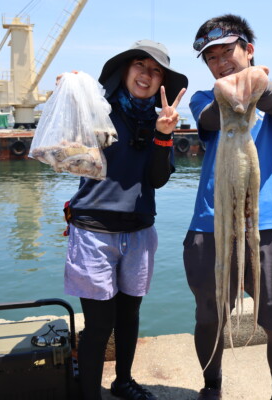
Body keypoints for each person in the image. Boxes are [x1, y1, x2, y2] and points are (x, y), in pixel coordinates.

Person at [183, 14, 272, 400]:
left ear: (248, 50)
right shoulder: (204, 99)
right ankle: (211, 387)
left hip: (270, 227)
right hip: (209, 226)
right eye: (210, 57)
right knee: (209, 317)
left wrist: (259, 84)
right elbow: (211, 118)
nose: (219, 61)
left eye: (227, 51)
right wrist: (233, 92)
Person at [64, 39, 187, 400]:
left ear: (162, 81)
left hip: (139, 232)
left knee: (129, 316)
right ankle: (90, 393)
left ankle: (123, 381)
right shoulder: (98, 109)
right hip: (92, 232)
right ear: (124, 70)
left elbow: (158, 179)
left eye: (155, 70)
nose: (146, 75)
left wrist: (164, 135)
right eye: (140, 65)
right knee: (99, 324)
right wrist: (71, 90)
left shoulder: (160, 120)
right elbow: (66, 142)